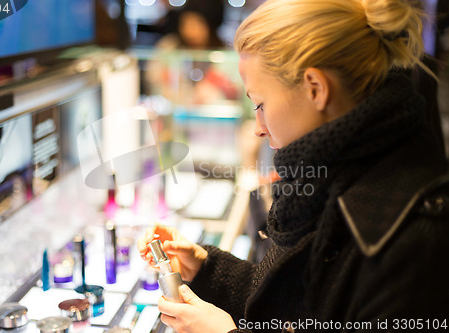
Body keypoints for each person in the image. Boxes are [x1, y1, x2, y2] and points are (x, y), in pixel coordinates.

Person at [138, 0, 449, 332]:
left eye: (260, 103)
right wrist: (204, 268)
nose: (258, 126)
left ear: (315, 88)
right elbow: (294, 300)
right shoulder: (338, 172)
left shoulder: (412, 237)